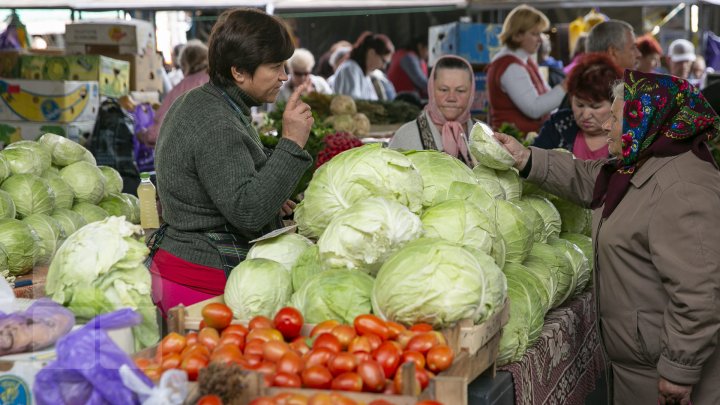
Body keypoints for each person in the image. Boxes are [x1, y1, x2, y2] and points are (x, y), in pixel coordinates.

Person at [496, 70, 720, 404]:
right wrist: (526, 158)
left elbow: (700, 293)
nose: (604, 127)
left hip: (663, 378)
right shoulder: (644, 163)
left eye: (615, 119)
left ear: (645, 121)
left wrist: (678, 371)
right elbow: (592, 177)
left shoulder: (682, 189)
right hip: (642, 368)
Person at [150, 8, 314, 316]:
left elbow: (223, 184)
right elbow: (248, 213)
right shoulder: (216, 122)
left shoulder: (204, 102)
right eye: (275, 66)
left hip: (187, 269)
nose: (283, 76)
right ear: (238, 71)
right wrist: (292, 142)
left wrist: (267, 191)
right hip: (201, 282)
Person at [486, 4, 566, 134]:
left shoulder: (526, 60)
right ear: (517, 35)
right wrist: (566, 87)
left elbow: (546, 95)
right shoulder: (510, 67)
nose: (540, 39)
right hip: (515, 144)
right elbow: (534, 109)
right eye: (535, 34)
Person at [389, 55, 479, 166]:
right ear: (431, 90)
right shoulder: (405, 138)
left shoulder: (485, 137)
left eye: (460, 90)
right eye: (443, 90)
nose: (451, 98)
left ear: (471, 92)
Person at [534, 53, 622, 159]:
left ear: (615, 103)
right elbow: (533, 161)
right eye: (579, 105)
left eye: (595, 107)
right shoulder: (558, 125)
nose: (585, 115)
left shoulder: (626, 134)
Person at [139, 39, 210, 147]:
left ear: (186, 64)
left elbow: (158, 132)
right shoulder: (220, 80)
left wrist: (143, 135)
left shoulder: (183, 88)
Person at [331, 32, 394, 101]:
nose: (383, 67)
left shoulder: (364, 74)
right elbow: (353, 104)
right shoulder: (350, 69)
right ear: (372, 53)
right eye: (383, 61)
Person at [387, 35, 429, 99]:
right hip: (402, 99)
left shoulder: (404, 54)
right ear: (420, 46)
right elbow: (422, 82)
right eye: (428, 49)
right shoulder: (408, 58)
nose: (429, 54)